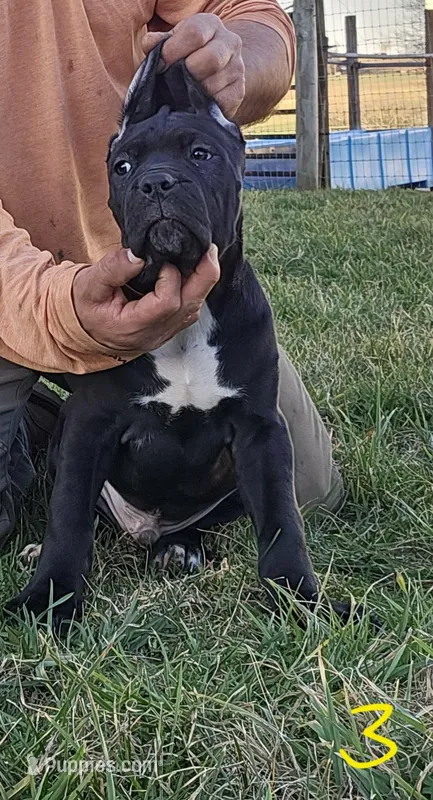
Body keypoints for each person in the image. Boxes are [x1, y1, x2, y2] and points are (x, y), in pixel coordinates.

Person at [0, 2, 342, 547]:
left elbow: (251, 16)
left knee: (310, 488)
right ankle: (45, 420)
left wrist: (237, 59)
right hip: (8, 292)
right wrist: (54, 308)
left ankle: (58, 420)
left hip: (142, 272)